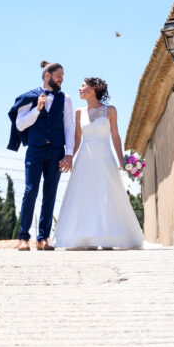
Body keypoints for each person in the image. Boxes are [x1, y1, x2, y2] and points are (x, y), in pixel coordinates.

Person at [53, 77, 144, 250]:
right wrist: (69, 156)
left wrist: (121, 160)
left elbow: (115, 136)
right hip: (85, 159)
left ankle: (108, 237)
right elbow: (77, 138)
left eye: (83, 86)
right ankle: (89, 238)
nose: (79, 88)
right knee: (85, 196)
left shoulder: (110, 111)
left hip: (105, 157)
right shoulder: (79, 112)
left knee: (107, 195)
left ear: (94, 88)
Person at [6, 61, 75, 252]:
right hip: (35, 150)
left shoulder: (66, 99)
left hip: (56, 151)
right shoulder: (28, 98)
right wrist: (37, 109)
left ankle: (43, 237)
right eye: (58, 74)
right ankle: (23, 238)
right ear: (47, 75)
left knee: (50, 193)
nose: (62, 78)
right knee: (31, 191)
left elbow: (69, 127)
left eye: (63, 75)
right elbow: (20, 125)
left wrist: (69, 154)